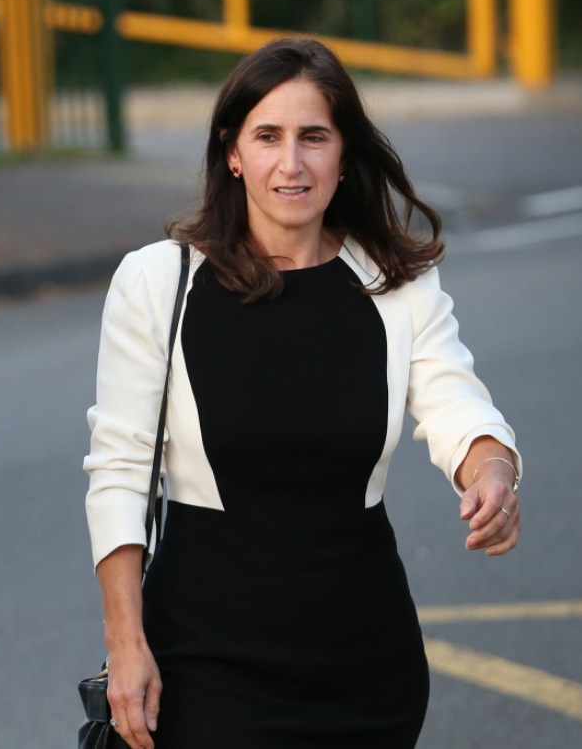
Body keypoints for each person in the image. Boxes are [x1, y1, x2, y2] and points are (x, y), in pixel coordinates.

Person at [83, 37, 521, 749]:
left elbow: (454, 403)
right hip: (204, 660)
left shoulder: (395, 282)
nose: (291, 163)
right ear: (232, 152)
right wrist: (125, 642)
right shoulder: (157, 282)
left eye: (313, 137)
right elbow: (120, 473)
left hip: (364, 661)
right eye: (267, 137)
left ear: (343, 155)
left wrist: (491, 471)